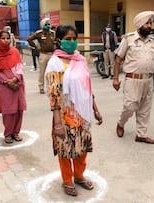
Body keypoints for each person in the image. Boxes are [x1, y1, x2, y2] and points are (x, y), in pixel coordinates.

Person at [45, 24, 102, 196]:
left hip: (83, 115)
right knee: (65, 150)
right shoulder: (55, 63)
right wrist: (57, 124)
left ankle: (79, 175)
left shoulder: (81, 60)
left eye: (74, 39)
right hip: (64, 115)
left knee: (82, 148)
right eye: (68, 39)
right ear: (58, 41)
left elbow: (87, 89)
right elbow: (54, 96)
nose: (72, 42)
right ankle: (67, 180)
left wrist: (96, 110)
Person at [113, 11, 154, 144]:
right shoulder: (129, 39)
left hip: (148, 80)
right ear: (140, 24)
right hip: (132, 80)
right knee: (130, 106)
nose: (149, 26)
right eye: (147, 23)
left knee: (145, 108)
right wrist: (115, 78)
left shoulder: (152, 41)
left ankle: (141, 134)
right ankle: (121, 123)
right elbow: (118, 60)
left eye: (150, 23)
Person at [0, 30, 27, 144]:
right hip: (5, 86)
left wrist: (15, 79)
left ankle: (16, 132)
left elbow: (20, 67)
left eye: (8, 38)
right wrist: (7, 82)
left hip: (18, 83)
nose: (6, 41)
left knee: (19, 110)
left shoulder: (15, 51)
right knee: (9, 111)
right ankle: (8, 134)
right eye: (3, 38)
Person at [27, 18, 55, 94]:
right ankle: (41, 87)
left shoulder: (52, 33)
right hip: (43, 54)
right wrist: (36, 47)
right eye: (46, 24)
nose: (48, 25)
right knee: (42, 72)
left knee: (52, 72)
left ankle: (51, 86)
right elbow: (29, 39)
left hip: (52, 55)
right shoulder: (39, 33)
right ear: (42, 25)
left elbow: (56, 41)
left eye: (49, 24)